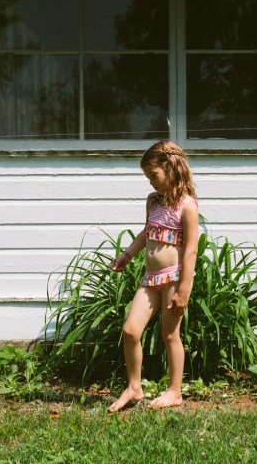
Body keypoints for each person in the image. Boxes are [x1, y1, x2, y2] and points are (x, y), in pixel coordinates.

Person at [107, 139, 199, 412]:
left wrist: (184, 291)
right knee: (130, 330)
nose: (150, 182)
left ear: (170, 168)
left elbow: (191, 250)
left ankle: (174, 391)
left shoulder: (187, 206)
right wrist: (127, 254)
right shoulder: (153, 201)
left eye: (153, 176)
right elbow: (147, 232)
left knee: (170, 335)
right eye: (148, 177)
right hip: (151, 278)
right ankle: (134, 388)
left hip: (173, 278)